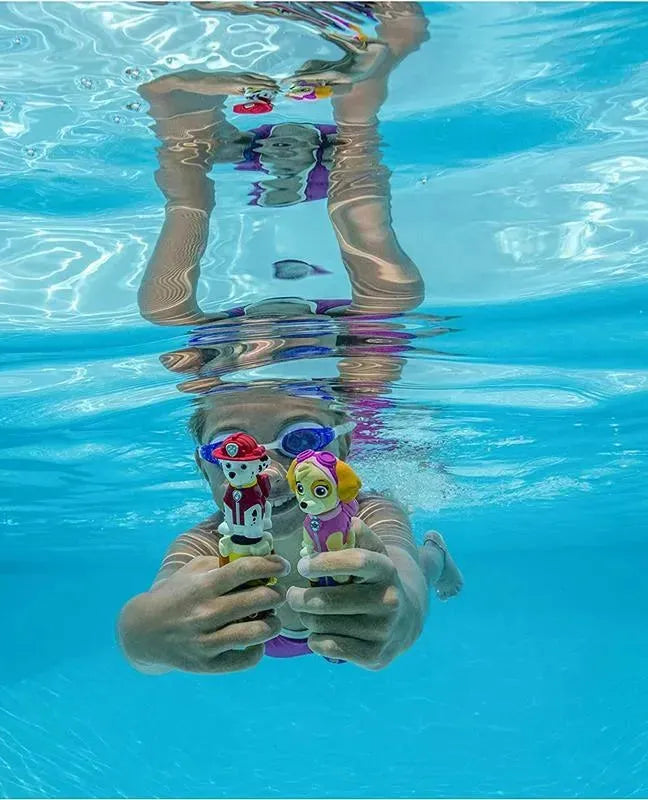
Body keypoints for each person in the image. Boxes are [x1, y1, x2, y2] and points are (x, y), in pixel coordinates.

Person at [117, 3, 463, 674]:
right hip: (295, 620)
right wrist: (145, 637)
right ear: (204, 468)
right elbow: (154, 609)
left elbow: (399, 573)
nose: (269, 470)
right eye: (235, 450)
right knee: (392, 301)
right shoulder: (209, 539)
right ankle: (356, 122)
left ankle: (186, 155)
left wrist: (409, 596)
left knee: (165, 313)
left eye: (301, 440)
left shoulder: (366, 511)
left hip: (331, 605)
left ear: (343, 449)